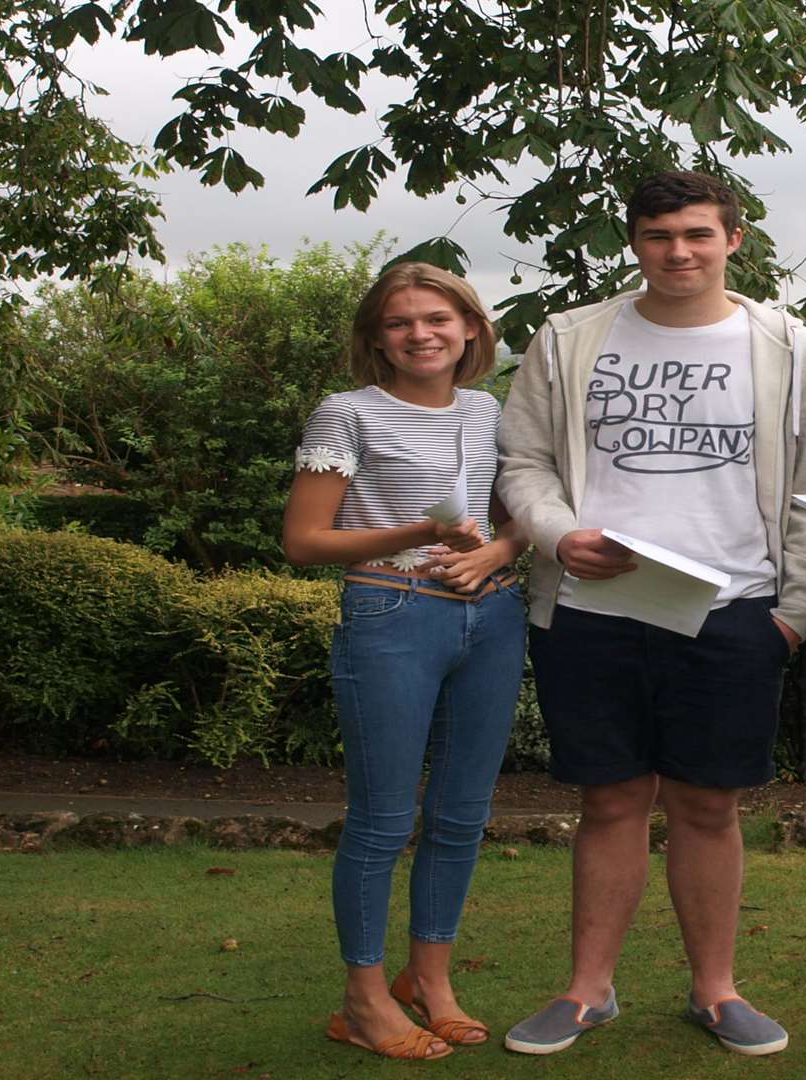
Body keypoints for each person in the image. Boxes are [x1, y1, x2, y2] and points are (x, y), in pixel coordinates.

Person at [494, 170, 806, 1058]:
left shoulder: (792, 347)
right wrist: (558, 534)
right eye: (658, 235)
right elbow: (523, 463)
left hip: (732, 610)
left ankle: (716, 992)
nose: (677, 251)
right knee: (609, 802)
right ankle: (586, 992)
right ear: (635, 241)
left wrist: (795, 615)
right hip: (591, 608)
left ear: (734, 238)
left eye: (697, 234)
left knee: (708, 806)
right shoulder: (570, 337)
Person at [284, 262, 530, 1060]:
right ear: (375, 338)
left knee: (460, 817)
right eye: (399, 322)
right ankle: (362, 998)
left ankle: (430, 981)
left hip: (490, 619)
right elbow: (304, 542)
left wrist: (495, 550)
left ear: (470, 330)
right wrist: (418, 533)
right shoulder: (348, 413)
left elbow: (514, 520)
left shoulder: (489, 409)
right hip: (390, 612)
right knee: (384, 820)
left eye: (438, 318)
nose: (420, 334)